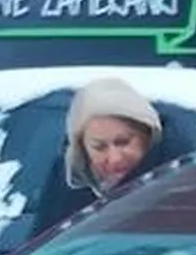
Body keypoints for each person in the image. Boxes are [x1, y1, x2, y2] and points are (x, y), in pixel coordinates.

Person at [64, 75, 164, 206]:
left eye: (123, 142)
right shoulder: (66, 209)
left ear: (148, 136)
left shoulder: (183, 189)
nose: (115, 158)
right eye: (99, 147)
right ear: (82, 150)